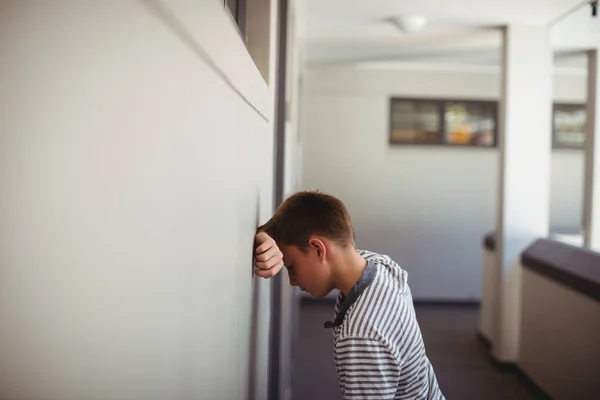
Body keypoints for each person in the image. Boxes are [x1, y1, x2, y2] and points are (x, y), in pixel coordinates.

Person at [254, 190, 445, 400]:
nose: (292, 281)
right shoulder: (381, 266)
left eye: (291, 266)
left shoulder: (361, 336)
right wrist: (264, 237)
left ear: (318, 249)